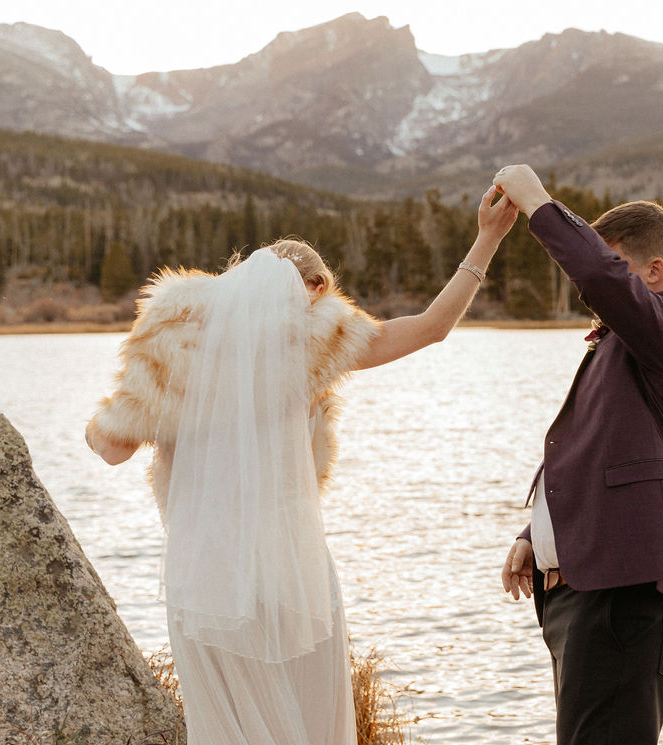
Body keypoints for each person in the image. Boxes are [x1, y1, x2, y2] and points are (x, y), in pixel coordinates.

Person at [85, 186, 518, 745]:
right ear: (314, 290)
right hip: (291, 566)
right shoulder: (312, 340)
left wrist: (97, 431)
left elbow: (114, 448)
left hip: (205, 568)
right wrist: (487, 239)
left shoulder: (171, 339)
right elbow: (433, 326)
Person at [494, 165, 663, 745]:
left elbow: (598, 276)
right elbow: (603, 451)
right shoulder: (626, 346)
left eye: (617, 268)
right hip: (586, 592)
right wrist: (537, 534)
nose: (592, 290)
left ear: (654, 271)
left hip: (631, 593)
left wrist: (537, 203)